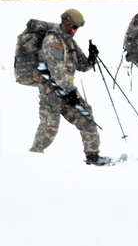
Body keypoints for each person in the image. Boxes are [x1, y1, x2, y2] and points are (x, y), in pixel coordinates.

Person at [30, 9, 112, 165]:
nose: (75, 31)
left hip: (67, 92)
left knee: (86, 117)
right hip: (51, 94)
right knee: (49, 129)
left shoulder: (69, 41)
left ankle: (93, 156)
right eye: (73, 27)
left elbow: (82, 65)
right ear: (65, 22)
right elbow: (57, 72)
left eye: (77, 28)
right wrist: (71, 91)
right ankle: (32, 160)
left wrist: (92, 57)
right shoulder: (52, 41)